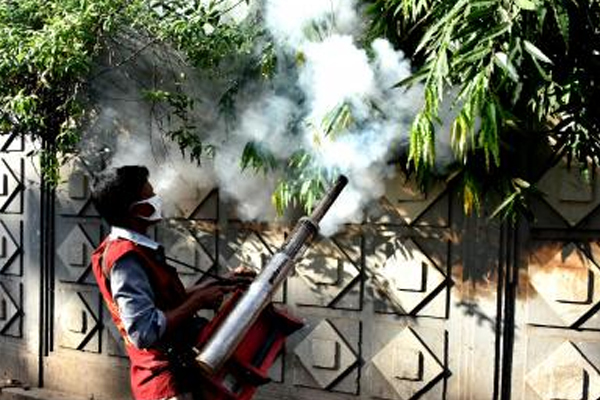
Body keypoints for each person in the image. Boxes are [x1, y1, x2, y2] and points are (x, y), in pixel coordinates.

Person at [90, 165, 251, 400]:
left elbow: (163, 301)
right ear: (137, 210)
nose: (157, 199)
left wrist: (222, 284)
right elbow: (143, 331)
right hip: (166, 383)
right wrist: (197, 302)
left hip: (177, 375)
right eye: (150, 196)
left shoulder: (128, 248)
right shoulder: (126, 259)